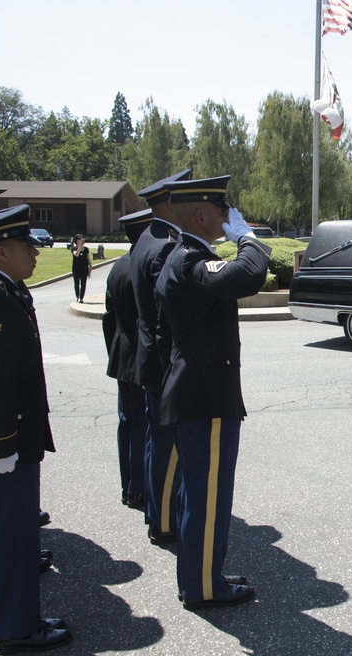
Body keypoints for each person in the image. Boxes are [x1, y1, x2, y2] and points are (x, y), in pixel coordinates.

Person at [0, 205, 72, 655]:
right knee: (12, 539)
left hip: (5, 438)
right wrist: (1, 448)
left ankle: (15, 619)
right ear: (1, 251)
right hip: (2, 443)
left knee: (14, 534)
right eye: (27, 246)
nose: (35, 253)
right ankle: (16, 629)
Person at [156, 175, 269, 610]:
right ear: (202, 215)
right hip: (205, 396)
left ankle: (202, 573)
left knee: (198, 493)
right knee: (207, 498)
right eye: (223, 212)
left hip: (198, 392)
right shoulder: (188, 260)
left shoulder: (183, 257)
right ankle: (204, 586)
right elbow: (250, 274)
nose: (229, 218)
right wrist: (248, 238)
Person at [130, 169, 191, 546]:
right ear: (170, 203)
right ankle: (165, 520)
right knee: (168, 445)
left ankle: (158, 510)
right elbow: (169, 311)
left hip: (149, 354)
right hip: (164, 360)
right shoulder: (166, 245)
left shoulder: (145, 238)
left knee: (157, 440)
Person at [103, 209, 153, 510]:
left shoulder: (117, 267)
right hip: (143, 358)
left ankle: (129, 486)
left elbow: (109, 319)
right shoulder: (145, 266)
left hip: (121, 355)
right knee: (142, 425)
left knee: (127, 422)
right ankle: (139, 487)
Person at [70, 233, 92, 302]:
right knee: (76, 283)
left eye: (81, 239)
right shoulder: (73, 248)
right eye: (78, 239)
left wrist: (90, 266)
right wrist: (79, 246)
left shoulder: (86, 249)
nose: (80, 240)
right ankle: (77, 296)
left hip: (84, 269)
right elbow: (76, 254)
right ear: (76, 240)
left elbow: (88, 258)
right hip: (76, 269)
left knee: (83, 284)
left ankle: (81, 298)